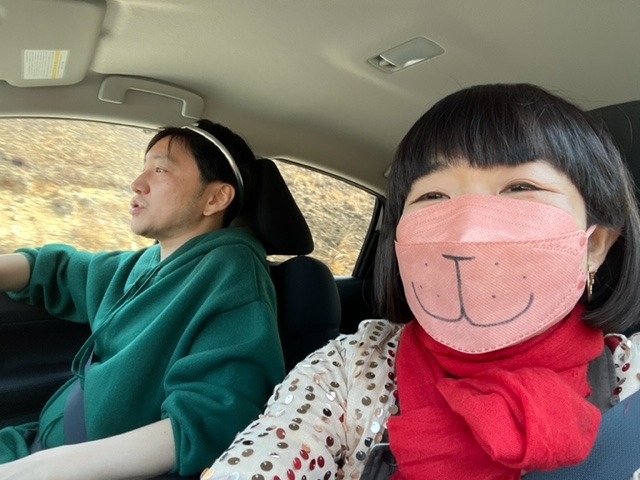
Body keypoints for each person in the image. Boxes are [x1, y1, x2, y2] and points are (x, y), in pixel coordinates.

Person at [201, 84, 640, 480]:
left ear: (595, 244)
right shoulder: (350, 369)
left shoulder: (630, 381)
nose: (466, 233)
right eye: (433, 196)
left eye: (520, 186)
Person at [0, 119, 285, 479]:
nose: (137, 183)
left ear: (216, 198)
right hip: (32, 444)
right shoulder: (151, 263)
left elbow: (209, 421)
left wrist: (40, 470)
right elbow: (61, 270)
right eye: (143, 167)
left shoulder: (233, 275)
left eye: (161, 170)